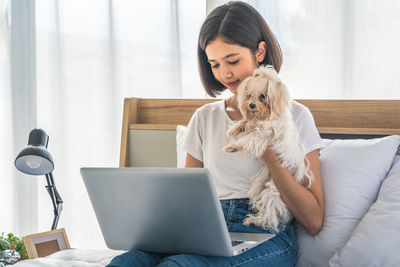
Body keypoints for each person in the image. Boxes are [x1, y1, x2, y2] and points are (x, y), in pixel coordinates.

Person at [107, 1, 324, 266]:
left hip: (267, 234)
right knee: (127, 262)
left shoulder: (296, 117)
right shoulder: (204, 117)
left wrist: (267, 153)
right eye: (214, 64)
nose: (225, 74)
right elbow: (187, 197)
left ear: (260, 51)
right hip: (206, 231)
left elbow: (313, 221)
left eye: (232, 60)